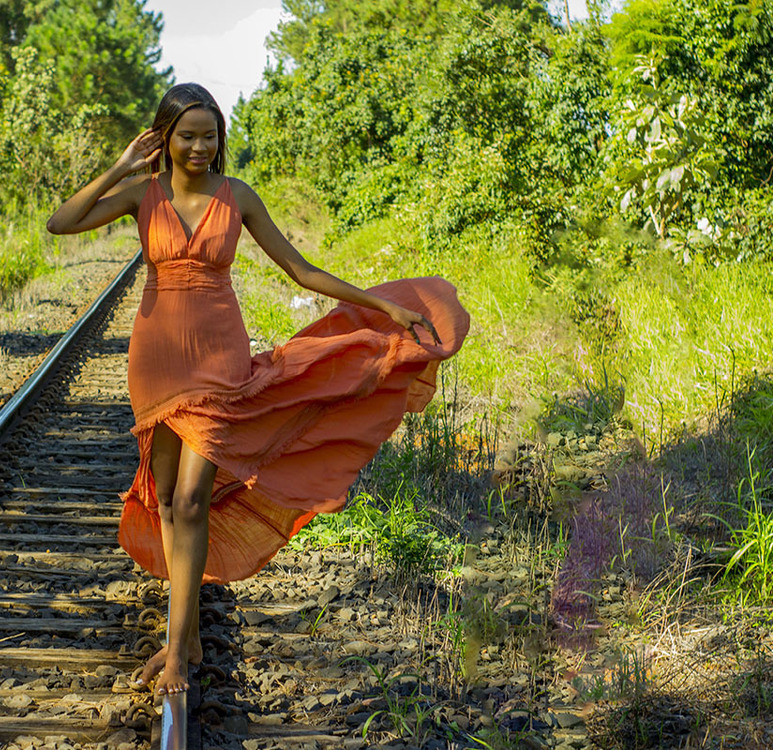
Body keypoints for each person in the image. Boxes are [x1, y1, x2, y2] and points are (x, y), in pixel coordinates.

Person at [47, 83, 469, 696]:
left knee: (192, 499)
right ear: (164, 138)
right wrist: (121, 166)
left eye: (209, 135)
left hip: (218, 360)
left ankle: (175, 653)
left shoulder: (237, 196)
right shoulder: (143, 194)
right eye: (187, 135)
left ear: (220, 139)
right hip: (156, 360)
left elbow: (300, 270)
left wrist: (383, 306)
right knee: (166, 501)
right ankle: (188, 633)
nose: (199, 147)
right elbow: (60, 223)